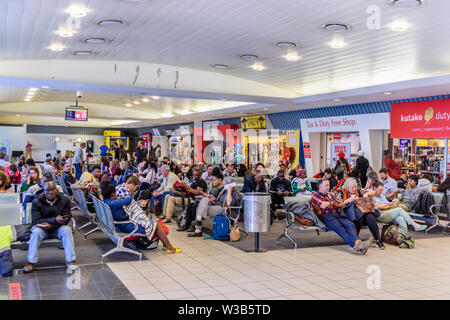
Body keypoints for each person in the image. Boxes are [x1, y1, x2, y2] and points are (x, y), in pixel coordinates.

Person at [101, 182, 181, 253]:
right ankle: (169, 247)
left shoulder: (106, 202)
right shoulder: (112, 204)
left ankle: (166, 245)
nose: (116, 194)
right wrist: (126, 198)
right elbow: (128, 199)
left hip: (121, 224)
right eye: (115, 192)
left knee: (153, 224)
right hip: (126, 226)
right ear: (112, 194)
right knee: (156, 225)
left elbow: (122, 204)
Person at [24, 182, 77, 273]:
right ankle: (31, 261)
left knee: (67, 230)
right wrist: (54, 220)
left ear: (57, 190)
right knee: (36, 232)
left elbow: (67, 217)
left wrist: (57, 222)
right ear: (43, 191)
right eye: (47, 190)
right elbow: (36, 221)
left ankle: (71, 260)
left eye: (53, 190)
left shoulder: (64, 200)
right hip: (42, 229)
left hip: (58, 228)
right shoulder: (37, 201)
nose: (50, 192)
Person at [310, 179, 372, 254]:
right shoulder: (315, 196)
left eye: (329, 185)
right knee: (341, 229)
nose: (328, 187)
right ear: (319, 186)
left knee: (350, 224)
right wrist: (336, 204)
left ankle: (359, 244)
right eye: (326, 185)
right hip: (326, 216)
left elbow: (340, 204)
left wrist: (331, 203)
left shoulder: (330, 195)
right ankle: (357, 245)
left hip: (337, 213)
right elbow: (323, 205)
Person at [340, 178, 384, 249]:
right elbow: (340, 206)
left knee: (370, 216)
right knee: (359, 216)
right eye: (352, 187)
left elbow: (371, 193)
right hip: (351, 215)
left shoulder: (359, 192)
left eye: (355, 187)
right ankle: (356, 240)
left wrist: (366, 194)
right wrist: (347, 201)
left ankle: (378, 240)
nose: (354, 189)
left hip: (363, 213)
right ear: (348, 187)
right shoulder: (342, 194)